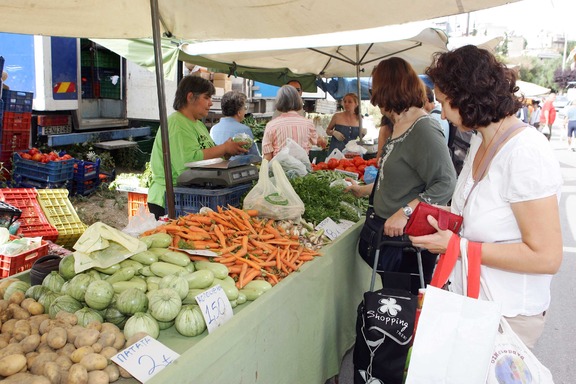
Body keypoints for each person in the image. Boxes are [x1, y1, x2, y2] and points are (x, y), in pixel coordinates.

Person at [412, 45, 563, 348]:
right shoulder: (481, 140)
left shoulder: (525, 152)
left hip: (506, 315)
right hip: (472, 304)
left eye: (443, 102)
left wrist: (457, 245)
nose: (441, 112)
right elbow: (479, 213)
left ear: (465, 95)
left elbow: (546, 256)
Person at [345, 57, 457, 293]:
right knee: (392, 305)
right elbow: (401, 177)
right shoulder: (399, 125)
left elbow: (446, 182)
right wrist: (363, 190)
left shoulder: (423, 128)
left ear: (387, 90)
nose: (374, 100)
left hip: (408, 244)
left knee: (403, 308)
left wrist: (405, 212)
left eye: (375, 90)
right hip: (390, 238)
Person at [147, 76, 249, 219]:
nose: (210, 103)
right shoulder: (176, 123)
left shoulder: (198, 125)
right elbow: (188, 161)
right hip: (170, 199)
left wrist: (227, 153)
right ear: (190, 97)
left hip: (190, 196)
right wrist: (224, 148)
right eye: (206, 98)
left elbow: (209, 156)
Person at [262, 85, 324, 160]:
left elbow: (267, 157)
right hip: (303, 169)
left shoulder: (271, 125)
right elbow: (319, 142)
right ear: (298, 100)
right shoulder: (308, 124)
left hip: (279, 169)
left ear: (278, 101)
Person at [209, 90, 260, 157]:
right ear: (239, 112)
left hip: (217, 166)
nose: (245, 111)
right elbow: (254, 156)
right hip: (238, 166)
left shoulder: (213, 129)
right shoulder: (244, 130)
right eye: (245, 108)